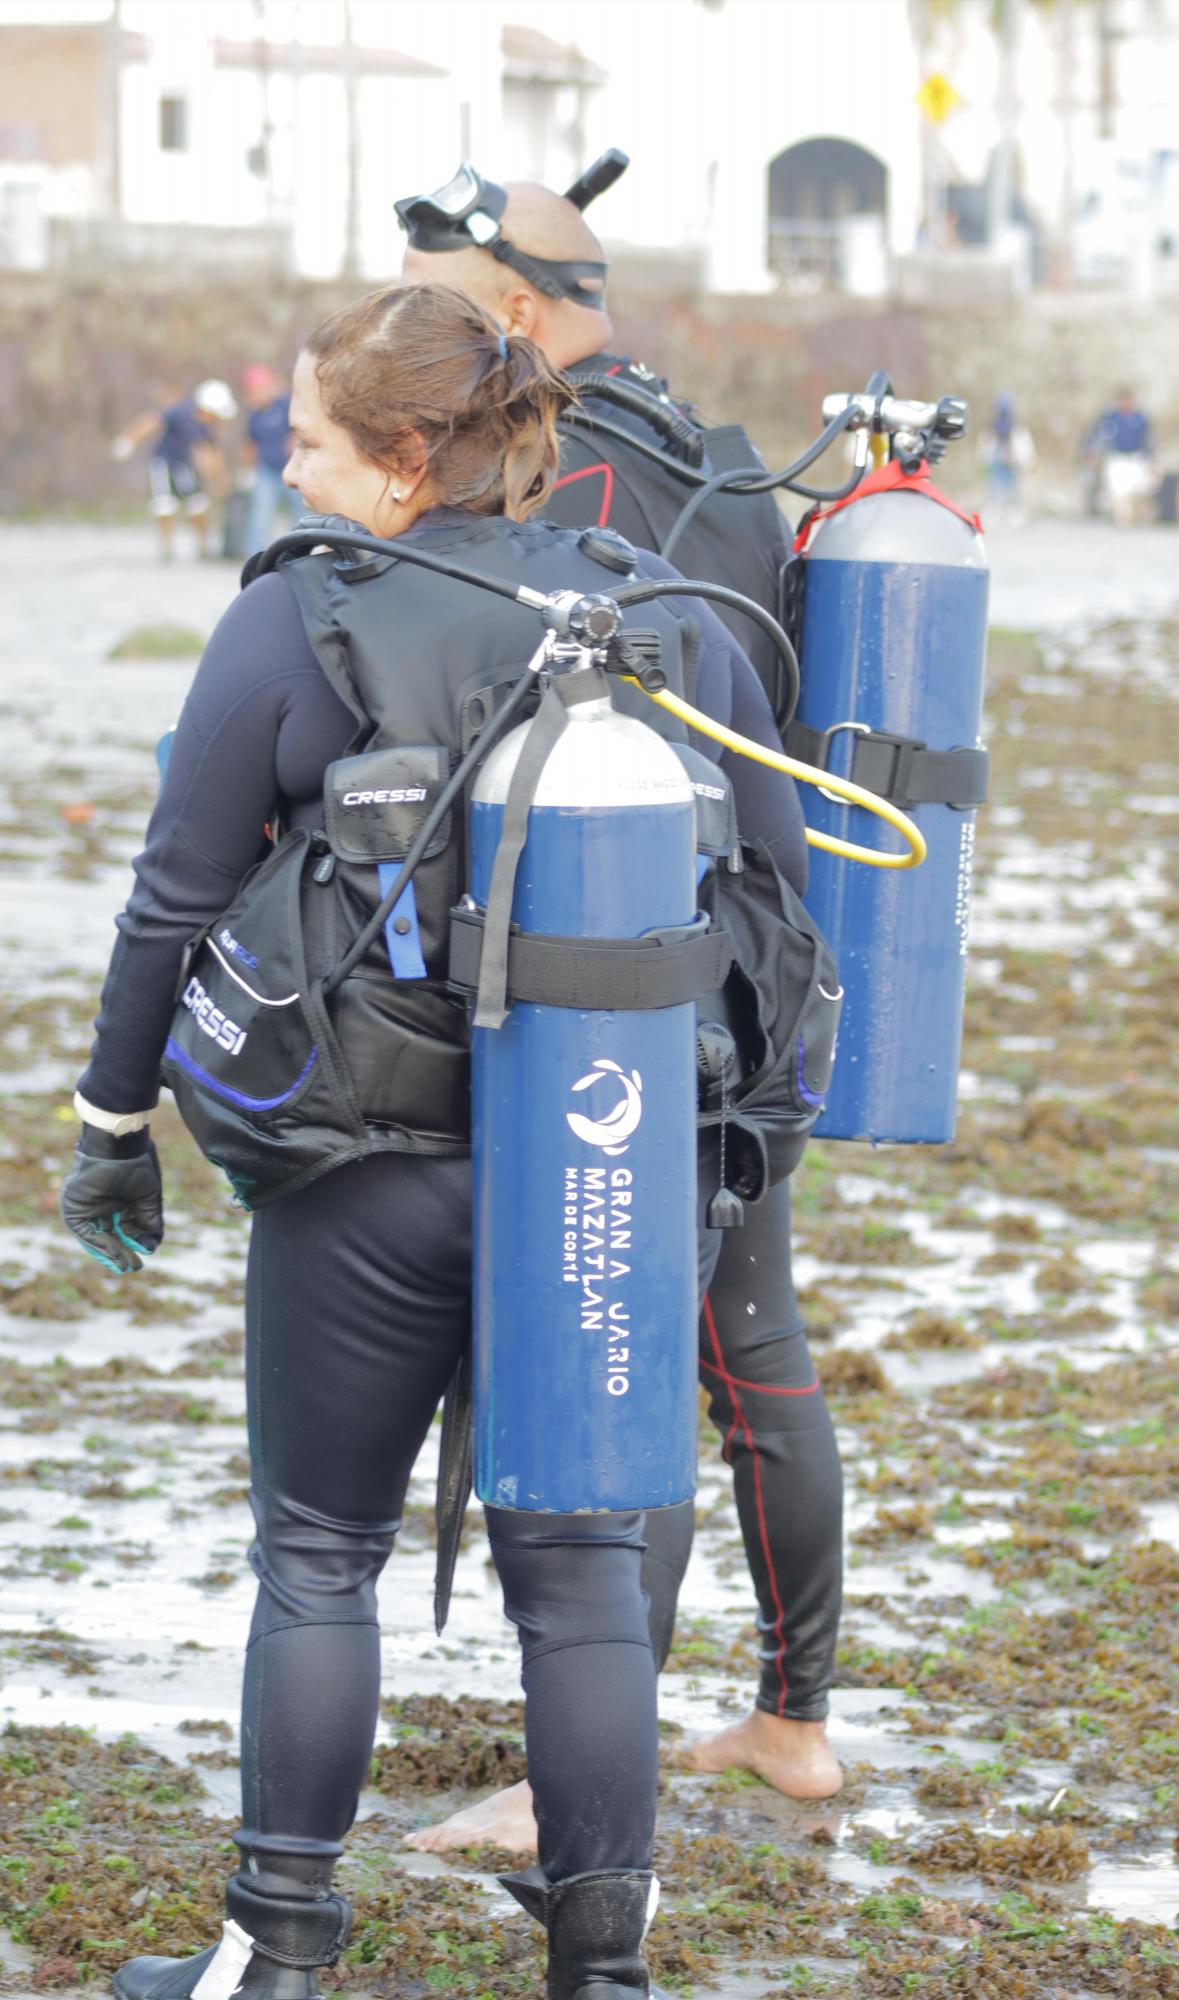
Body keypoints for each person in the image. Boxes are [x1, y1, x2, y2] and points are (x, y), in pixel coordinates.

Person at [61, 283, 806, 2000]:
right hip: (604, 1171)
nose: (292, 471)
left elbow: (170, 900)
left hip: (364, 1171)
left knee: (320, 1555)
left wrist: (116, 1127)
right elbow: (773, 900)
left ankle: (277, 1954)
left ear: (404, 457)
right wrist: (735, 1154)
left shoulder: (295, 622)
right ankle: (603, 1977)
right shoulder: (661, 614)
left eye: (312, 442)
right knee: (583, 1579)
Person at [396, 166, 845, 1862]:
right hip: (749, 951)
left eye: (445, 301)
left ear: (512, 310)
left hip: (628, 969)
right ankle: (790, 1722)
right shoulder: (697, 445)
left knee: (619, 1350)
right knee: (746, 1344)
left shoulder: (570, 464)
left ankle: (582, 1774)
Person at [111, 379, 236, 560]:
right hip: (163, 463)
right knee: (164, 506)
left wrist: (220, 478)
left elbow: (211, 452)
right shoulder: (180, 412)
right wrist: (128, 441)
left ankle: (204, 547)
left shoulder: (208, 426)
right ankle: (167, 549)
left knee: (198, 504)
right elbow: (150, 422)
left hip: (185, 466)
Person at [240, 363, 296, 556]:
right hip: (266, 470)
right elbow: (252, 443)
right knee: (261, 514)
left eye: (259, 390)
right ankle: (256, 555)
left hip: (292, 469)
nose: (256, 396)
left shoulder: (286, 405)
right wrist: (246, 471)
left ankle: (301, 553)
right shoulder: (255, 415)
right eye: (252, 393)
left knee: (299, 514)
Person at [1083, 388, 1153, 525]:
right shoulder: (1111, 418)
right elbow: (1099, 436)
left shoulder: (1140, 418)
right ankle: (1123, 522)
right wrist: (1091, 451)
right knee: (1119, 495)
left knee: (1141, 492)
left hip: (1137, 458)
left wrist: (1151, 458)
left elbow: (1148, 440)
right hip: (1118, 459)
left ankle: (1140, 521)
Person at [981, 393, 1035, 521]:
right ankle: (994, 509)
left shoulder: (1016, 425)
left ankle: (1014, 511)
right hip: (997, 460)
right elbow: (986, 442)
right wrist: (986, 459)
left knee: (1013, 488)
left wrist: (1026, 459)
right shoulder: (992, 425)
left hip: (1013, 461)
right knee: (994, 487)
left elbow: (1023, 443)